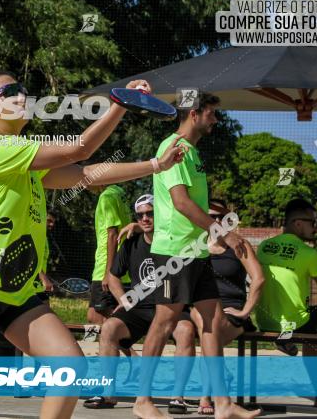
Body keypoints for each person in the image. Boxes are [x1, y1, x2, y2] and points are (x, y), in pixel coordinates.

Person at [0, 72, 186, 419]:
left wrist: (156, 165)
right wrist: (120, 106)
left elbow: (86, 173)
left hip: (19, 292)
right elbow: (79, 148)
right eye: (11, 92)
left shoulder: (25, 163)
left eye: (23, 91)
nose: (22, 97)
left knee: (69, 371)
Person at [132, 90, 257, 419]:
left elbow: (193, 205)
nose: (215, 120)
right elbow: (182, 204)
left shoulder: (192, 152)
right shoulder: (172, 148)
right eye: (212, 114)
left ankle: (223, 403)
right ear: (194, 114)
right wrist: (224, 233)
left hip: (195, 251)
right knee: (165, 320)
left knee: (212, 322)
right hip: (175, 251)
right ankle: (142, 401)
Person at [84, 194, 198, 412]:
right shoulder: (131, 243)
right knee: (109, 328)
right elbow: (114, 276)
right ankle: (107, 394)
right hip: (139, 309)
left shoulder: (174, 241)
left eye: (150, 213)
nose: (145, 218)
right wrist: (123, 300)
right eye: (141, 215)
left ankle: (177, 397)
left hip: (170, 308)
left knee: (185, 330)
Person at [254, 197, 317, 409]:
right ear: (298, 224)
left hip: (264, 321)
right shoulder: (309, 253)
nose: (316, 228)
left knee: (308, 325)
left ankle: (286, 338)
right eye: (313, 222)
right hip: (294, 323)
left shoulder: (264, 246)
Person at [192, 199, 265, 415]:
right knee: (202, 318)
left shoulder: (239, 244)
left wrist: (245, 311)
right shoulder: (195, 246)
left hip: (232, 311)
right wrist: (137, 226)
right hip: (201, 310)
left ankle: (207, 397)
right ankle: (220, 394)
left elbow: (259, 279)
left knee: (206, 324)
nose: (214, 220)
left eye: (219, 217)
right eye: (210, 216)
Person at [88, 183, 131, 324]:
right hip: (121, 261)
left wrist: (108, 273)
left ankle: (121, 341)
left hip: (105, 264)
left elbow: (112, 234)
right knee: (93, 314)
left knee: (103, 315)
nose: (85, 185)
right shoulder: (119, 192)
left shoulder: (106, 196)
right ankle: (97, 342)